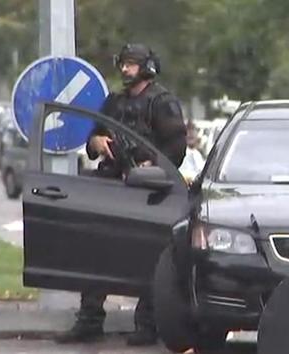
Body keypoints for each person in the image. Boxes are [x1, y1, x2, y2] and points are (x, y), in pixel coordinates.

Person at [55, 43, 187, 346]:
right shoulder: (113, 102)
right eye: (123, 64)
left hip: (148, 189)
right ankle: (89, 319)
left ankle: (147, 324)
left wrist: (150, 165)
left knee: (147, 254)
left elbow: (176, 149)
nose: (125, 70)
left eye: (131, 64)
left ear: (147, 67)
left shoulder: (162, 102)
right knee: (95, 251)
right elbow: (92, 138)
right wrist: (98, 143)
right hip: (111, 183)